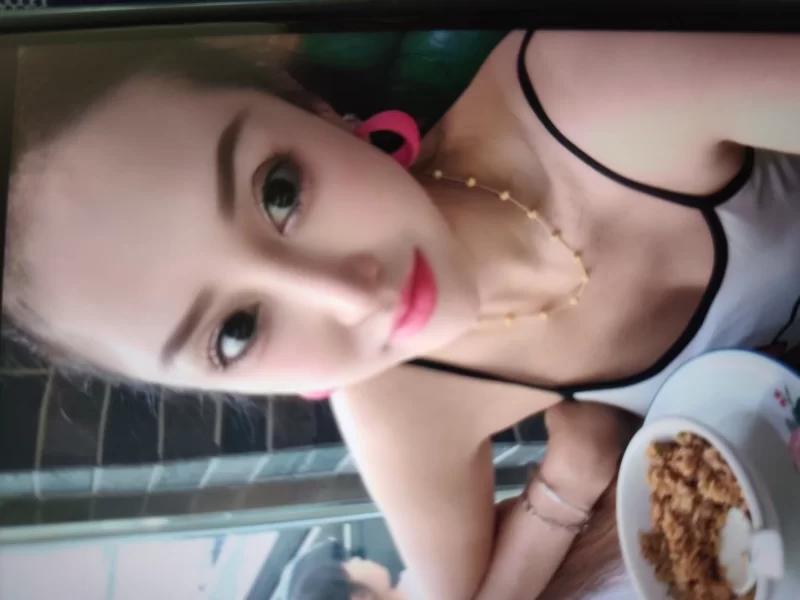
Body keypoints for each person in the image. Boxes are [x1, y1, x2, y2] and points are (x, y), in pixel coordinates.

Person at [4, 29, 800, 599]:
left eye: (279, 191)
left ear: (311, 107)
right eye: (235, 332)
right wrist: (569, 480)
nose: (352, 294)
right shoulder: (399, 405)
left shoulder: (586, 88)